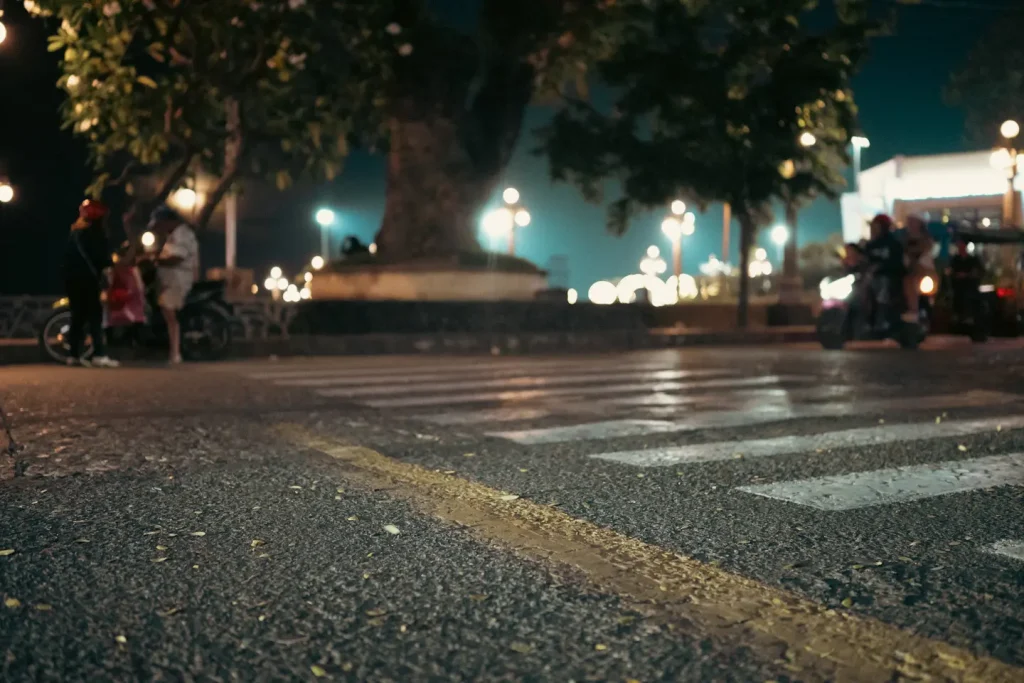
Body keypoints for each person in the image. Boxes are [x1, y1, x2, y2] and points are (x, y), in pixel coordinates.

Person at [62, 199, 120, 368]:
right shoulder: (96, 233)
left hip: (72, 281)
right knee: (95, 317)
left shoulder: (75, 233)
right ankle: (99, 354)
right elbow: (103, 259)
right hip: (90, 280)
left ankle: (73, 355)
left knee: (77, 317)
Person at [147, 205, 199, 364]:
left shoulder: (182, 234)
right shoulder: (172, 235)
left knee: (169, 313)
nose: (159, 228)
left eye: (160, 224)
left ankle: (175, 353)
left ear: (168, 221)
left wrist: (154, 260)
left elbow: (177, 258)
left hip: (178, 280)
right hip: (169, 281)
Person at [864, 214, 905, 327]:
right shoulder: (869, 245)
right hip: (871, 278)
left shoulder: (894, 244)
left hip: (889, 278)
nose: (873, 229)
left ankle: (883, 319)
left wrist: (879, 267)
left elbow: (897, 264)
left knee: (882, 286)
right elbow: (865, 261)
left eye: (876, 226)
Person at [902, 215, 936, 322]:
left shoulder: (927, 239)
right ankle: (913, 310)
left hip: (925, 272)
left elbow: (926, 249)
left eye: (913, 222)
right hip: (911, 272)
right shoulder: (905, 239)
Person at [948, 238, 984, 323]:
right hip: (958, 287)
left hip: (970, 286)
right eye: (959, 245)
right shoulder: (955, 259)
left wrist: (968, 275)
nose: (961, 247)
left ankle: (969, 316)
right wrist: (956, 275)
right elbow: (951, 272)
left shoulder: (973, 259)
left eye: (962, 245)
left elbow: (979, 271)